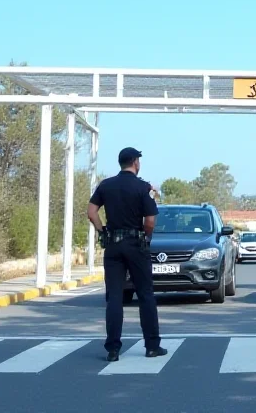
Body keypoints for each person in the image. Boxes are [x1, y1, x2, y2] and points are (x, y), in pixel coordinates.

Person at [87, 147, 167, 362]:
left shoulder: (106, 185)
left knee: (114, 296)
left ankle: (113, 349)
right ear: (135, 162)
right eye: (139, 160)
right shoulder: (143, 188)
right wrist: (146, 237)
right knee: (145, 294)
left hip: (113, 245)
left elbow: (91, 212)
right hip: (136, 245)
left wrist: (102, 231)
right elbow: (150, 220)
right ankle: (152, 346)